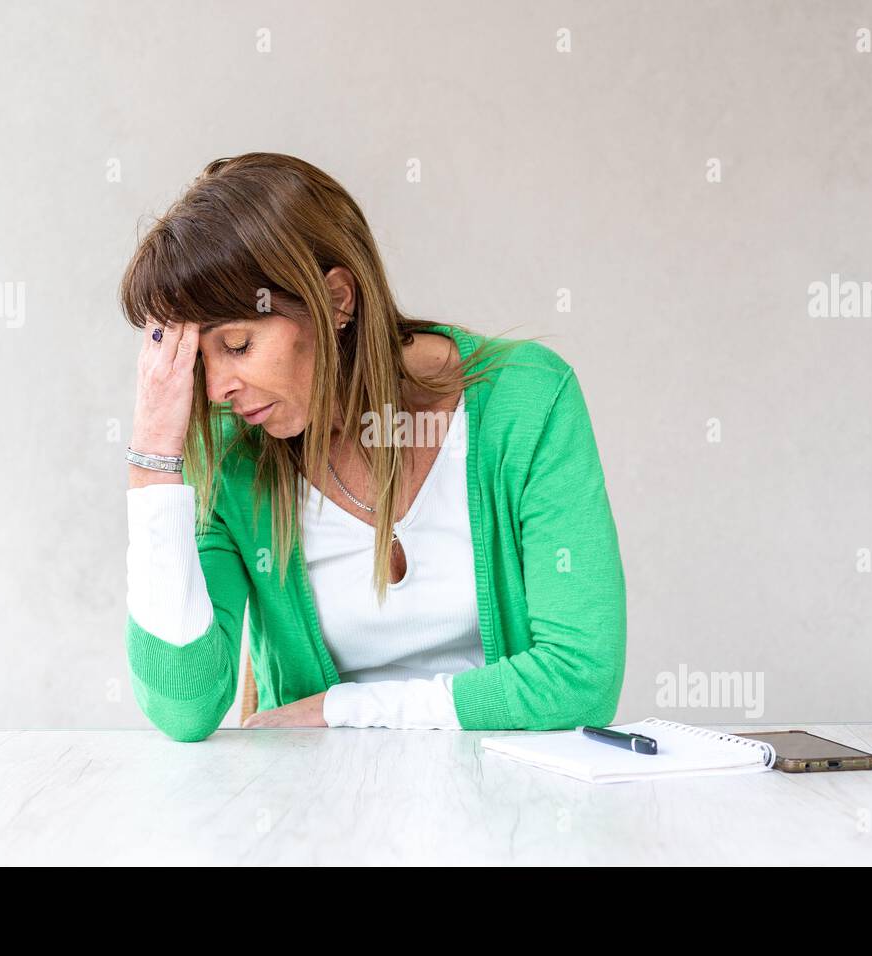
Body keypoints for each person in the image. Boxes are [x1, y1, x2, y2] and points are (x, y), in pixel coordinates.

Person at [121, 152, 626, 741]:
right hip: (320, 812)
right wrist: (152, 457)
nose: (215, 390)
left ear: (337, 300)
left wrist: (343, 708)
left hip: (509, 807)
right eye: (195, 361)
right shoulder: (236, 457)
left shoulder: (525, 402)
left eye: (237, 346)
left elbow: (581, 680)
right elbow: (184, 711)